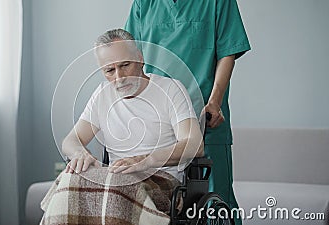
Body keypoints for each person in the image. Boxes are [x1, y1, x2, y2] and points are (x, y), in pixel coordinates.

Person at [40, 29, 204, 225]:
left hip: (161, 179)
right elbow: (70, 141)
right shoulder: (102, 94)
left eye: (125, 65)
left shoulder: (170, 89)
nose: (119, 77)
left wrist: (145, 160)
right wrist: (79, 153)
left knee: (117, 184)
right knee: (71, 177)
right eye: (110, 70)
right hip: (117, 177)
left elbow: (195, 144)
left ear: (140, 58)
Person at [125, 0, 251, 224]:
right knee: (158, 207)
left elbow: (227, 53)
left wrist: (215, 101)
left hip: (205, 119)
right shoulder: (144, 4)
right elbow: (130, 57)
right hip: (158, 124)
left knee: (216, 207)